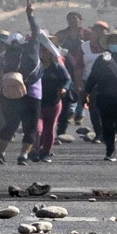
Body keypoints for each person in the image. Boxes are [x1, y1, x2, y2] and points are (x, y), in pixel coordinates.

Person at [0, 6, 43, 166]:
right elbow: (36, 31)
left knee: (11, 124)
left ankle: (2, 152)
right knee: (30, 127)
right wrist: (31, 16)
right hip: (32, 94)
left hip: (12, 94)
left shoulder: (7, 55)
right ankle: (22, 155)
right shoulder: (32, 47)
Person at [84, 30, 117, 161]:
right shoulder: (101, 59)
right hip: (104, 96)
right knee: (107, 125)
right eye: (112, 41)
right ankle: (110, 151)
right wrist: (86, 92)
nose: (115, 43)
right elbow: (93, 77)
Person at [34, 33, 71, 162]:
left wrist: (64, 88)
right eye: (41, 50)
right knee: (38, 129)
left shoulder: (56, 67)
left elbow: (67, 79)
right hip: (37, 102)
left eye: (45, 50)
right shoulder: (34, 67)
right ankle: (35, 149)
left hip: (54, 102)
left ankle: (46, 153)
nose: (43, 53)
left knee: (49, 129)